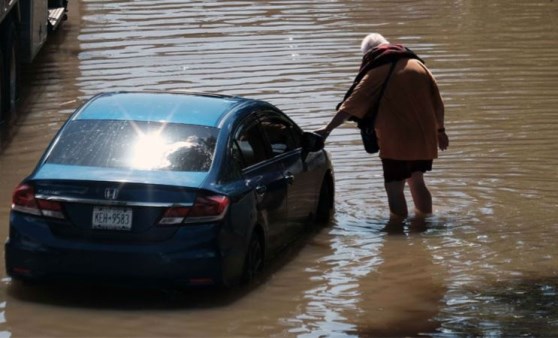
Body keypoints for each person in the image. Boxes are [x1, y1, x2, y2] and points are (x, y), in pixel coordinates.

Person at [315, 33, 449, 222]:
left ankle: (397, 231)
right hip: (424, 138)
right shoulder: (419, 65)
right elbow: (438, 102)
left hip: (396, 141)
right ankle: (424, 224)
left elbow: (351, 105)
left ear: (369, 53)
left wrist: (327, 129)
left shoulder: (377, 70)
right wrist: (440, 131)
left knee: (394, 187)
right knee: (417, 181)